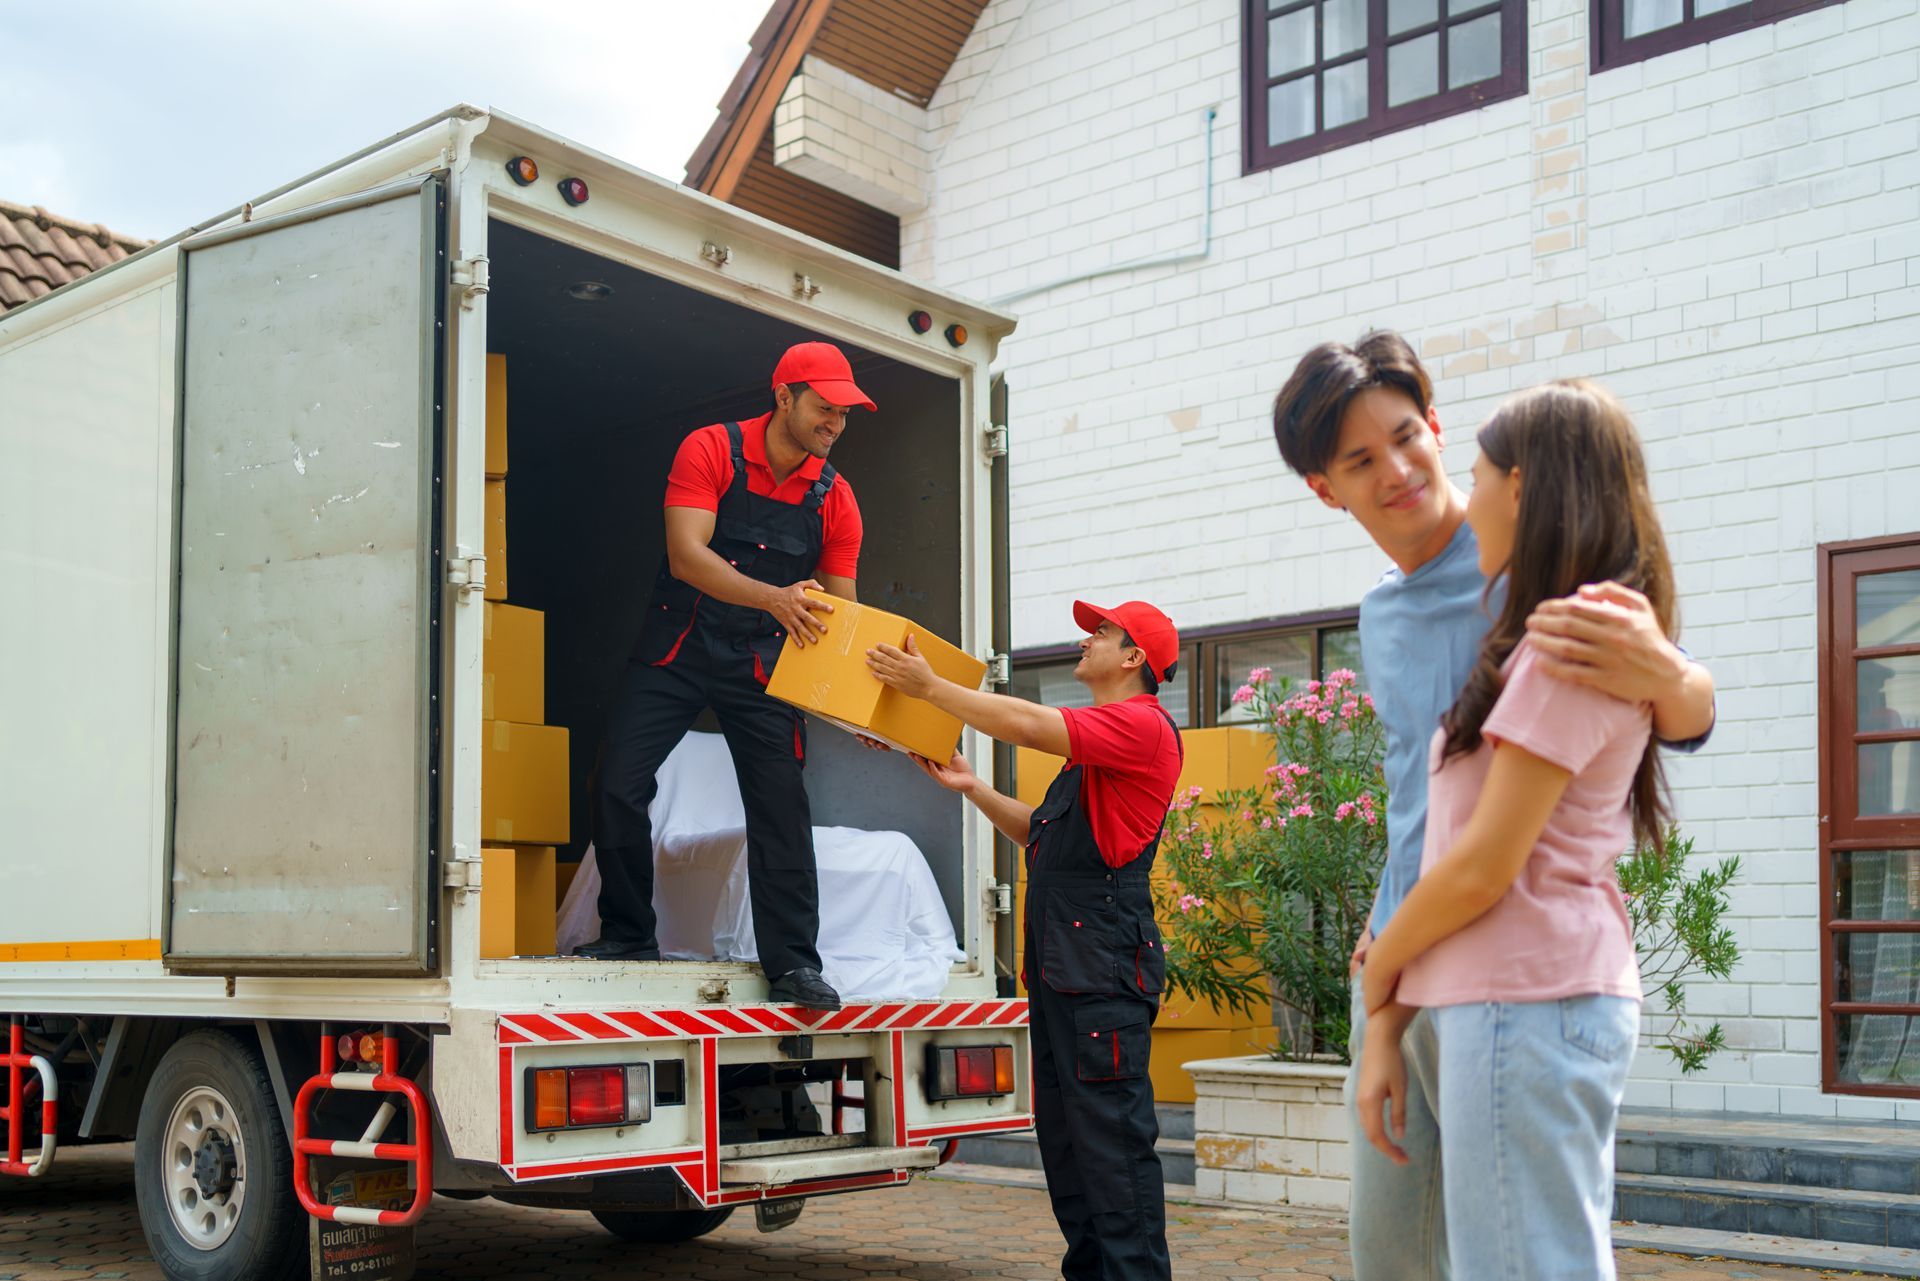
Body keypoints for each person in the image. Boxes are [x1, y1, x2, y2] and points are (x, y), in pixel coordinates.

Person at [1268, 331, 1715, 1279]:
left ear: (1433, 426)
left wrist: (1677, 676)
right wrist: (1379, 976)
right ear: (1325, 489)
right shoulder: (1382, 613)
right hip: (1401, 957)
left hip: (1510, 966)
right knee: (1394, 1256)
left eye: (1408, 436)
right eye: (1360, 460)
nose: (1398, 469)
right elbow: (1415, 799)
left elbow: (1672, 707)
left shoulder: (1537, 555)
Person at [1355, 379, 1676, 1278]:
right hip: (1495, 989)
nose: (1468, 495)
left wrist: (1380, 963)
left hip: (1521, 995)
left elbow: (1481, 866)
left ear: (1525, 489)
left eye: (1479, 474)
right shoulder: (1545, 635)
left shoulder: (1578, 640)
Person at [866, 601, 1184, 1281]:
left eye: (1101, 631)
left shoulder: (1142, 725)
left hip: (1099, 967)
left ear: (1134, 659)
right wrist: (973, 787)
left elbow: (1031, 724)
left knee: (1115, 1155)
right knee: (1070, 1150)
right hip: (1069, 964)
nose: (1085, 636)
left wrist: (931, 689)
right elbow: (1043, 836)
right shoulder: (1096, 753)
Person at [575, 341, 874, 1012]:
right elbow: (686, 555)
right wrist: (774, 595)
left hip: (764, 661)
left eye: (845, 414)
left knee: (781, 806)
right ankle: (627, 934)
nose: (835, 423)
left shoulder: (837, 497)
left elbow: (844, 616)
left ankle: (795, 963)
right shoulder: (710, 449)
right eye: (825, 408)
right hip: (678, 642)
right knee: (618, 780)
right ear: (784, 398)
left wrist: (865, 713)